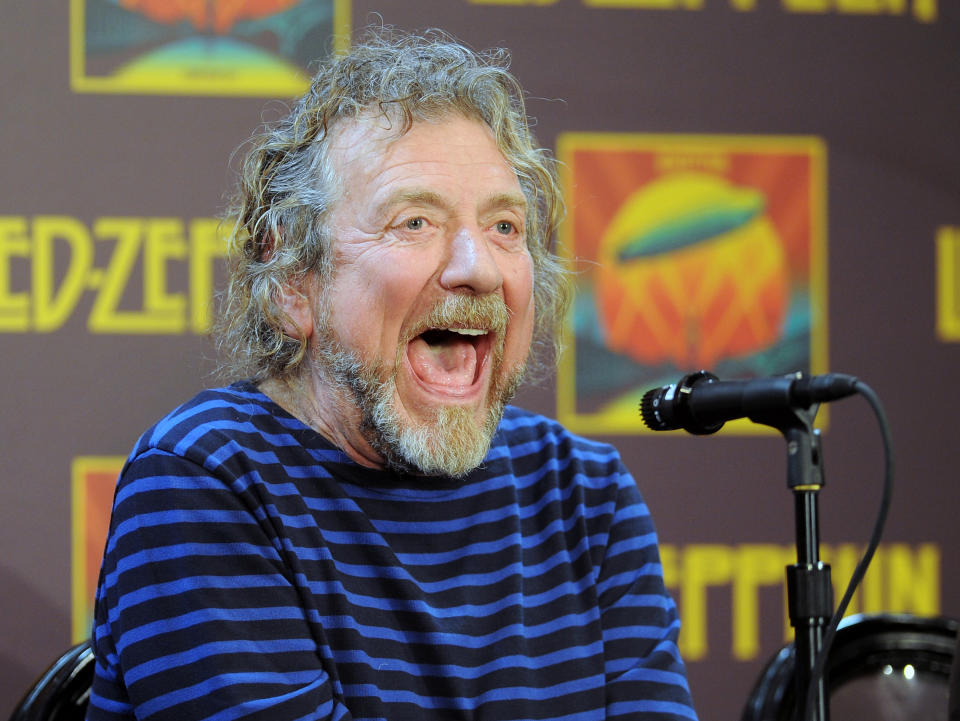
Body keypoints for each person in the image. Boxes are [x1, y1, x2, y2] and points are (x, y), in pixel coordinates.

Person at [86, 29, 698, 721]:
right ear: (293, 280)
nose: (479, 266)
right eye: (414, 222)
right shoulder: (206, 479)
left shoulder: (584, 494)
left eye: (504, 226)